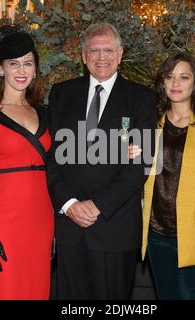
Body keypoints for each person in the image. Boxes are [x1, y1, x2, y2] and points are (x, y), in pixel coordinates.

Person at [47, 22, 157, 299]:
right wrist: (70, 204)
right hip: (69, 228)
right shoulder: (61, 94)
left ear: (120, 54)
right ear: (83, 56)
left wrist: (97, 206)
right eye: (94, 50)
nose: (101, 57)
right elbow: (51, 157)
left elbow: (139, 166)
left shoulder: (141, 99)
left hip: (114, 229)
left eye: (108, 50)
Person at [129, 52, 195, 299]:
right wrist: (131, 155)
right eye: (170, 77)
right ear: (162, 82)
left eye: (184, 78)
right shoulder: (152, 124)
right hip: (156, 235)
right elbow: (141, 176)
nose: (175, 84)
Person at [0, 25, 53, 300]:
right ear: (0, 68)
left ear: (36, 69)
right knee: (7, 291)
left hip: (42, 217)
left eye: (28, 63)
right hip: (4, 219)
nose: (22, 70)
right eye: (14, 64)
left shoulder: (46, 113)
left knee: (37, 289)